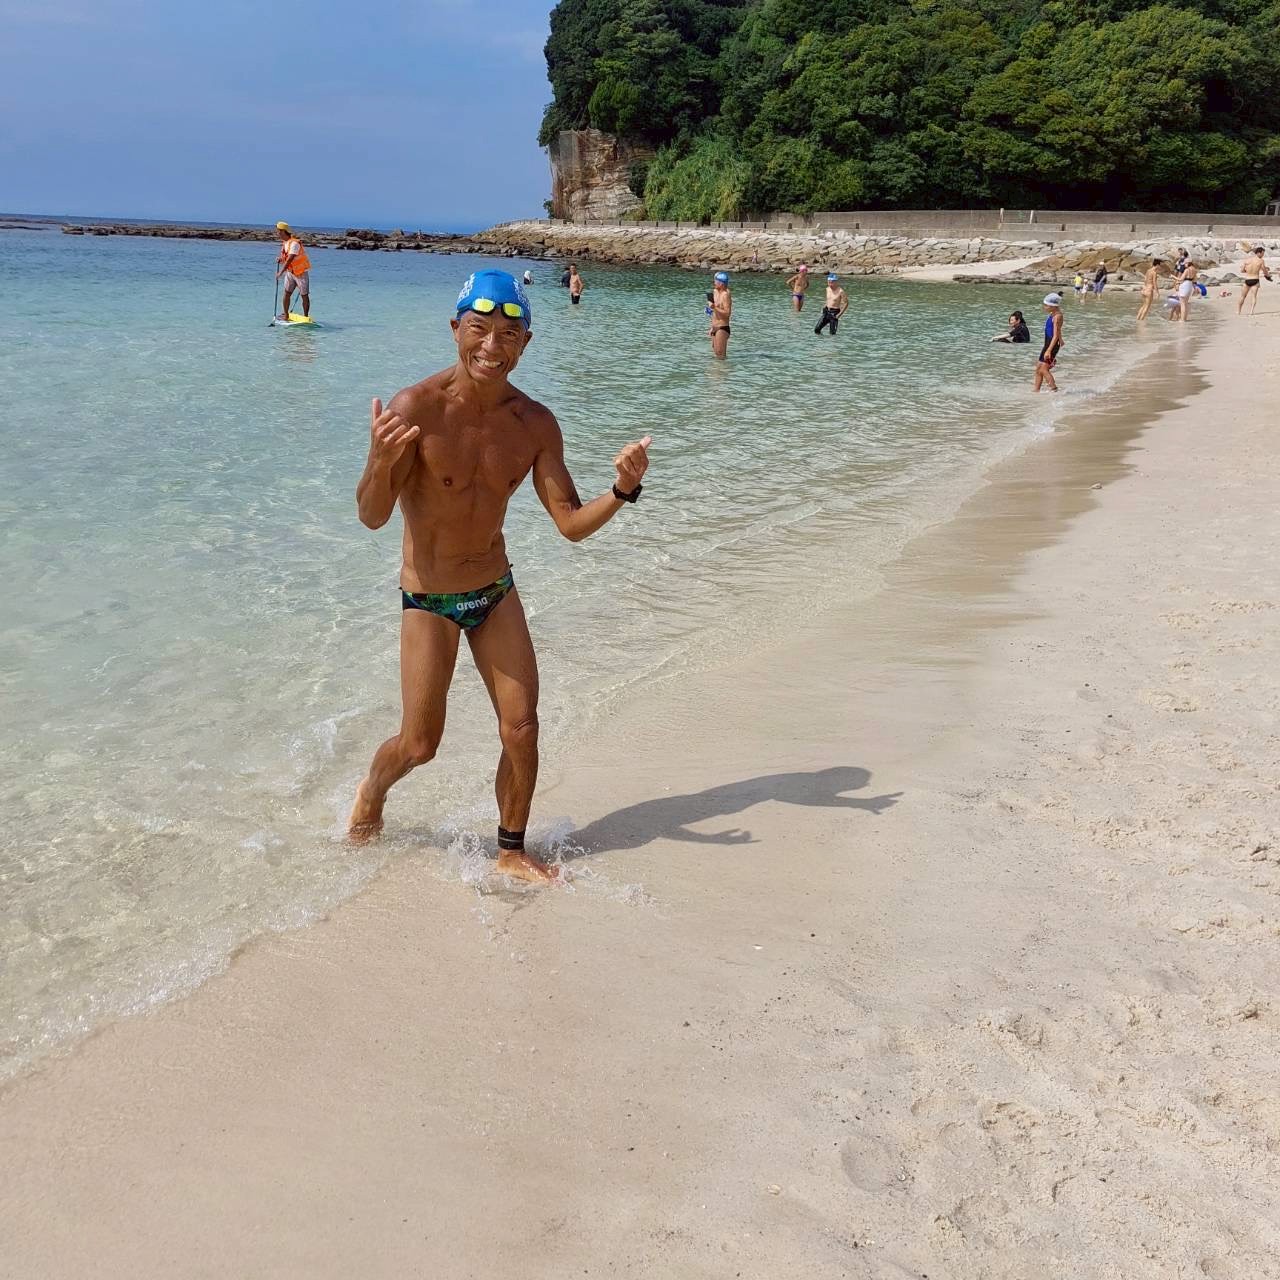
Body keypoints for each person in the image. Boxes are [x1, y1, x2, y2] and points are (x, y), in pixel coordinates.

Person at [348, 269, 652, 882]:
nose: (492, 345)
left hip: (494, 590)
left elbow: (570, 523)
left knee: (522, 728)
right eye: (479, 329)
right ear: (455, 329)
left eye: (509, 335)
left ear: (526, 344)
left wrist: (623, 489)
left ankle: (511, 850)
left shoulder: (534, 424)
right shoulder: (416, 409)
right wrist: (379, 461)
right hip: (429, 598)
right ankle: (372, 792)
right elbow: (373, 517)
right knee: (419, 744)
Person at [275, 221, 312, 320]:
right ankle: (286, 315)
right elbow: (286, 258)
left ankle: (306, 317)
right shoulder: (285, 243)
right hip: (290, 272)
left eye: (278, 231)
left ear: (283, 231)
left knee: (304, 295)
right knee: (287, 293)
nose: (277, 233)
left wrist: (280, 272)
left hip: (301, 273)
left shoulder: (294, 243)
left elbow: (290, 259)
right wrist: (280, 259)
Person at [1034, 293, 1063, 392]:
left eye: (1046, 305)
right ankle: (1036, 390)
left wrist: (1049, 350)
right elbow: (1058, 331)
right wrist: (1061, 339)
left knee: (1043, 369)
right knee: (1038, 367)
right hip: (1048, 343)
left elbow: (1055, 335)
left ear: (1053, 306)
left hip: (1052, 345)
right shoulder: (1052, 314)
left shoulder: (1057, 317)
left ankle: (1054, 389)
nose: (1044, 307)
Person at [1238, 245, 1271, 315]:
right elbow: (1264, 270)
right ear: (1258, 253)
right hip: (1255, 280)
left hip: (1247, 280)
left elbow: (1242, 270)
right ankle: (1251, 312)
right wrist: (1268, 276)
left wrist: (1248, 271)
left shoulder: (1247, 260)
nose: (1263, 255)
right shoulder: (1261, 261)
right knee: (1253, 296)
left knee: (1243, 296)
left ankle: (1238, 311)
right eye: (1262, 253)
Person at [709, 271, 732, 359]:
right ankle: (717, 368)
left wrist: (714, 307)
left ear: (721, 284)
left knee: (721, 355)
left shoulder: (725, 295)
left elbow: (727, 313)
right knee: (716, 354)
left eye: (716, 281)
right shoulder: (715, 291)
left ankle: (724, 368)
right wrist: (712, 327)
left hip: (722, 327)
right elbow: (713, 311)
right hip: (714, 326)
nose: (714, 283)